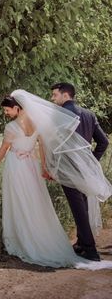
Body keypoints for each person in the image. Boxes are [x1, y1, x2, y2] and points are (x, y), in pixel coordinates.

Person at [0, 91, 112, 269]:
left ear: (17, 107)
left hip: (16, 167)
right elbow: (43, 147)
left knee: (18, 201)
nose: (6, 113)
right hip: (32, 167)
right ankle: (45, 238)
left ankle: (23, 240)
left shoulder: (11, 128)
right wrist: (45, 168)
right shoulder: (37, 124)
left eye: (7, 110)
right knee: (37, 202)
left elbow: (3, 149)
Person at [50, 82, 109, 261]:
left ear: (65, 95)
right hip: (85, 170)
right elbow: (104, 142)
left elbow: (54, 143)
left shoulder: (60, 115)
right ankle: (82, 244)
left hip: (68, 169)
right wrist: (90, 161)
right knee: (82, 206)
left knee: (79, 209)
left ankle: (90, 250)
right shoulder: (89, 114)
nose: (52, 99)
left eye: (55, 95)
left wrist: (53, 167)